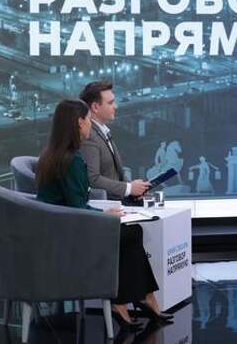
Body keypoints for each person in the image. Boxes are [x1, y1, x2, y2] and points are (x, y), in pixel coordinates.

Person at [35, 99, 173, 331]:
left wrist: (104, 213)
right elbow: (77, 208)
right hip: (67, 234)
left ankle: (135, 299)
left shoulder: (51, 154)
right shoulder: (71, 160)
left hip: (56, 227)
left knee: (128, 232)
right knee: (129, 233)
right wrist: (106, 214)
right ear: (79, 123)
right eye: (88, 120)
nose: (91, 124)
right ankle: (133, 300)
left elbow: (71, 204)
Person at [78, 81, 151, 204]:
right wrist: (129, 188)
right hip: (108, 208)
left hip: (120, 203)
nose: (115, 106)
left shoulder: (103, 132)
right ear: (95, 107)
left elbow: (115, 174)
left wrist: (134, 189)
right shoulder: (89, 136)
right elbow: (92, 179)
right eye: (110, 103)